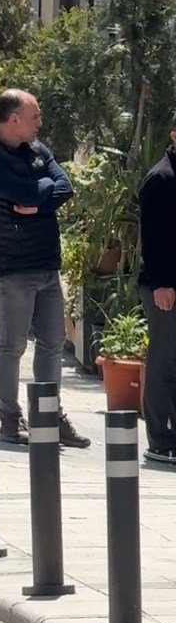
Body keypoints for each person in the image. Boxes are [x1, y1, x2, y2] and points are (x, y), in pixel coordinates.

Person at [0, 88, 89, 449]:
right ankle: (10, 420)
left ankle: (49, 415)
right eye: (34, 116)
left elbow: (64, 186)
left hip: (45, 262)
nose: (40, 123)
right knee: (13, 345)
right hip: (10, 267)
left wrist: (38, 201)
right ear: (14, 119)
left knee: (52, 343)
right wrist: (38, 193)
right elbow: (24, 193)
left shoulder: (35, 148)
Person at [138, 125, 176, 464]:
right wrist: (162, 283)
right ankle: (160, 439)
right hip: (165, 287)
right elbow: (152, 238)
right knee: (164, 361)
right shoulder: (161, 179)